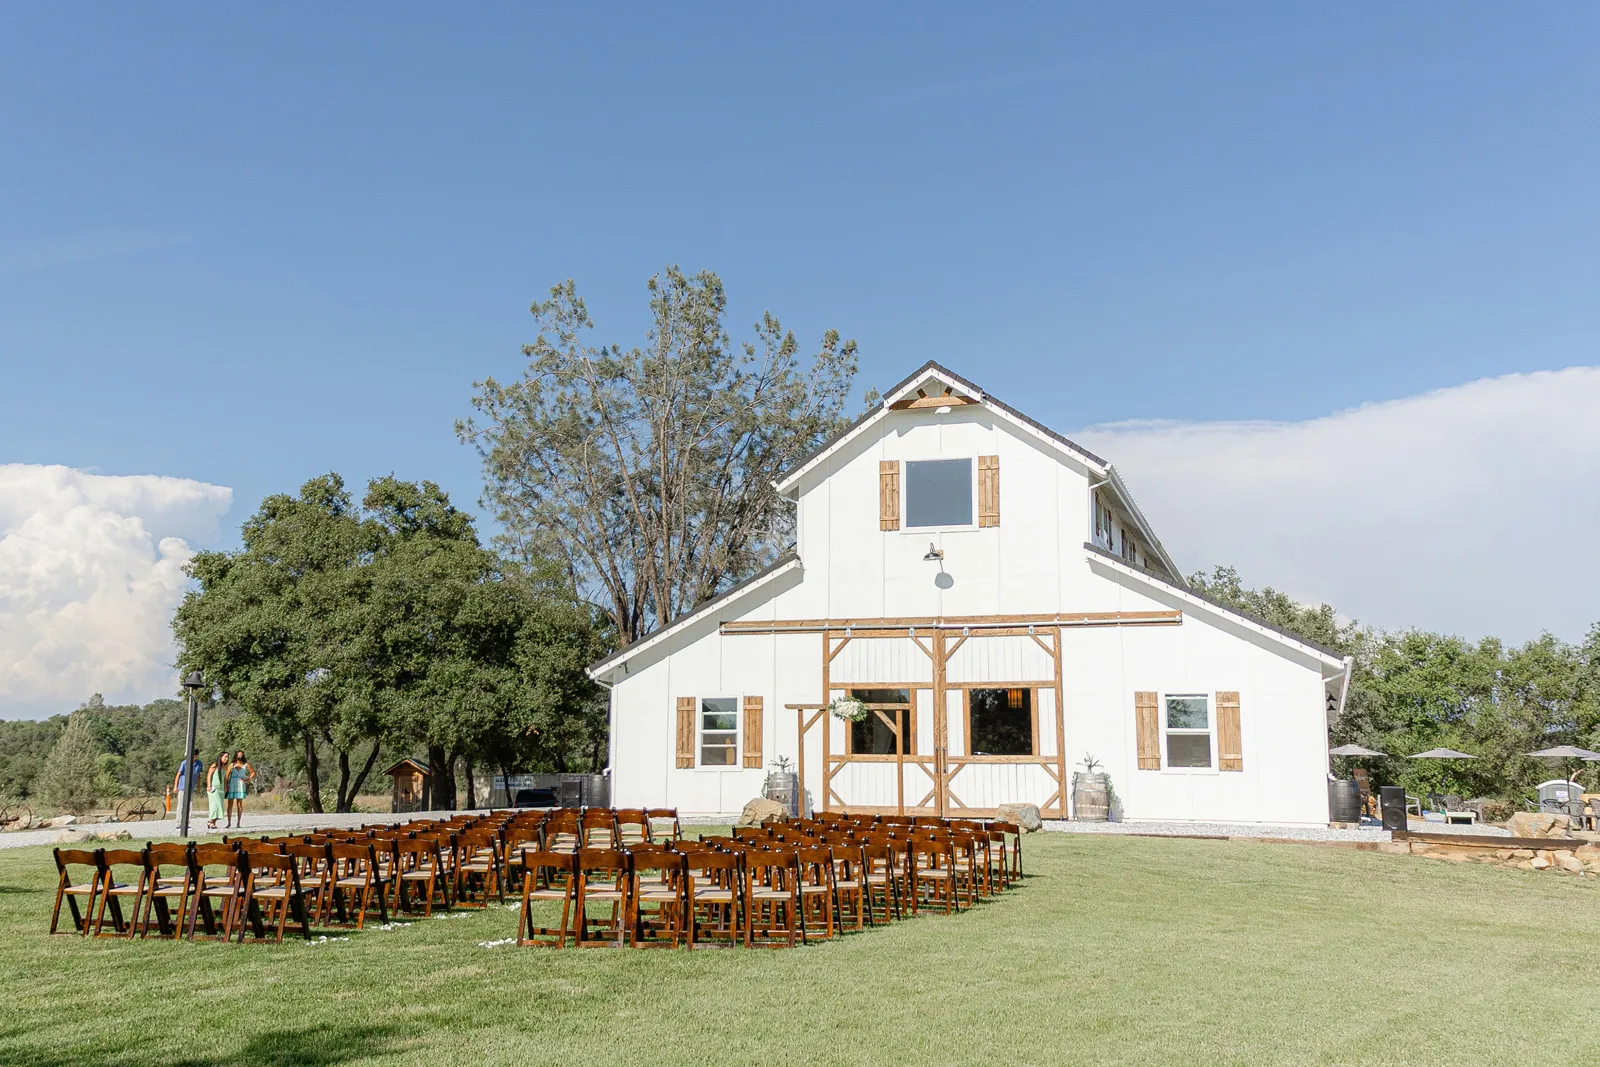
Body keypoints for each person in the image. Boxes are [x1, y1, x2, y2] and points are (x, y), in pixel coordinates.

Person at [225, 750, 255, 829]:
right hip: (232, 784)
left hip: (241, 784)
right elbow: (227, 776)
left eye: (241, 755)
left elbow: (253, 772)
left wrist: (248, 780)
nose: (239, 756)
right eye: (238, 755)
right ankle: (229, 823)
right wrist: (226, 785)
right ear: (235, 755)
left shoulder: (246, 764)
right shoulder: (232, 764)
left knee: (239, 804)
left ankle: (238, 823)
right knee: (230, 804)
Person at [205, 752, 231, 832]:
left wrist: (226, 786)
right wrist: (209, 785)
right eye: (225, 757)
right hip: (214, 788)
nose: (226, 758)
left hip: (221, 789)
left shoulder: (225, 767)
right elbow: (209, 775)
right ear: (221, 757)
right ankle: (210, 821)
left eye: (227, 757)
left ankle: (213, 822)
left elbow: (225, 778)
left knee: (220, 806)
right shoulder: (215, 765)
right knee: (215, 805)